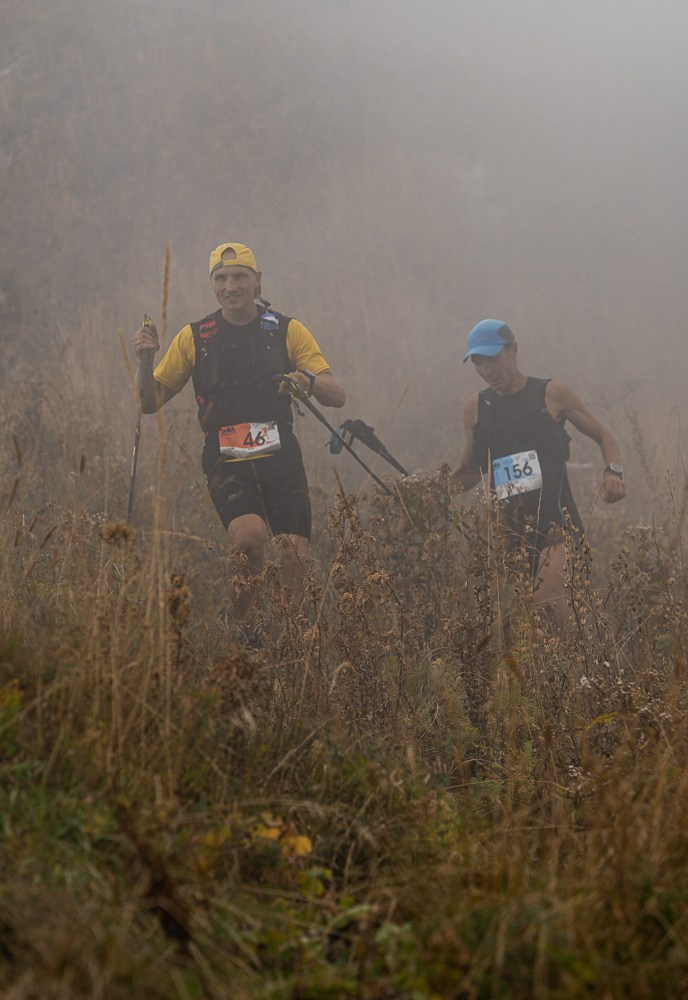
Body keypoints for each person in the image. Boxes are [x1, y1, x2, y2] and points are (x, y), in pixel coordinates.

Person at [132, 242, 346, 636]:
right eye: (221, 278)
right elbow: (148, 403)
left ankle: (295, 646)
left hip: (280, 453)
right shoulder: (196, 336)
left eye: (239, 277)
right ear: (213, 284)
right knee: (248, 539)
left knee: (294, 554)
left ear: (257, 280)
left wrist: (307, 380)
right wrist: (145, 358)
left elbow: (337, 394)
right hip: (225, 455)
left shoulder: (286, 329)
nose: (231, 286)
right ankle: (245, 636)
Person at [451, 319, 626, 621]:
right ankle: (568, 667)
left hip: (557, 524)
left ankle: (584, 670)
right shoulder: (476, 409)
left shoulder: (551, 394)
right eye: (478, 363)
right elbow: (469, 472)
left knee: (548, 603)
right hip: (508, 532)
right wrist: (425, 494)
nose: (486, 370)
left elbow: (605, 436)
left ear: (513, 350)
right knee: (515, 622)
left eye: (492, 359)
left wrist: (613, 471)